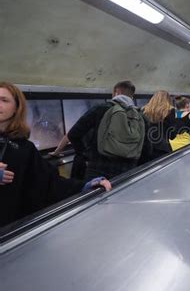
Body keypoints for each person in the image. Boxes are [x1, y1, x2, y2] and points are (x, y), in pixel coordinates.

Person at [0, 82, 111, 227]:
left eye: (4, 100)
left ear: (16, 108)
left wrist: (85, 185)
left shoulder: (24, 148)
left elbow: (50, 183)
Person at [68, 81, 146, 181]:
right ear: (132, 95)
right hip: (127, 172)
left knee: (94, 196)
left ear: (116, 92)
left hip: (98, 171)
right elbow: (146, 148)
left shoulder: (100, 109)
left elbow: (73, 134)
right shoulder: (139, 116)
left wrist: (85, 155)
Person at [140, 90, 175, 163]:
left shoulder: (143, 110)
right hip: (162, 148)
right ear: (168, 99)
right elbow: (172, 135)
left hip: (145, 148)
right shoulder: (170, 110)